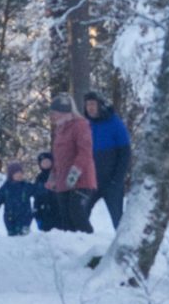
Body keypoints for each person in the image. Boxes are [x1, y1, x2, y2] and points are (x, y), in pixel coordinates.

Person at [46, 95, 96, 233]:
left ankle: (91, 244)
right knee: (66, 220)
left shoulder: (80, 126)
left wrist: (74, 173)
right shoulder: (60, 130)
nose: (53, 116)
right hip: (63, 182)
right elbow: (59, 156)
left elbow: (85, 152)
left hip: (81, 181)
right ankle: (72, 251)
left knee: (77, 215)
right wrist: (53, 176)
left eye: (55, 113)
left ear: (64, 112)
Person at [83, 91, 132, 231]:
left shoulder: (114, 122)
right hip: (90, 182)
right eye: (87, 105)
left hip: (112, 182)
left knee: (118, 221)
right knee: (80, 217)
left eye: (93, 104)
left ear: (100, 105)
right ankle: (79, 248)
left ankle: (122, 250)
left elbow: (125, 154)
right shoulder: (85, 125)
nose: (90, 108)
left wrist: (117, 179)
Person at [0, 161, 38, 236]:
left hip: (25, 215)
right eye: (16, 173)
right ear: (11, 175)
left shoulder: (26, 186)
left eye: (20, 173)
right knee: (12, 234)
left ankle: (25, 237)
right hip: (10, 216)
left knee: (24, 233)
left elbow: (37, 191)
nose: (19, 175)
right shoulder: (6, 188)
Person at [31, 151, 60, 232]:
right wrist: (36, 210)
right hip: (44, 209)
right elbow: (37, 195)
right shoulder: (39, 178)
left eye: (47, 161)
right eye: (43, 162)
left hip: (57, 208)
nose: (45, 164)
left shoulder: (57, 174)